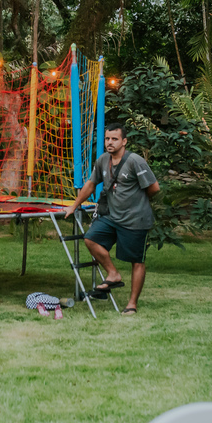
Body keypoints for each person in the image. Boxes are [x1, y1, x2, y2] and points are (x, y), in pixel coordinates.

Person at [63, 123, 159, 315]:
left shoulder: (135, 161)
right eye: (107, 138)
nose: (110, 142)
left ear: (124, 141)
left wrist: (135, 202)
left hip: (135, 221)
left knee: (136, 261)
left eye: (114, 139)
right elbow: (91, 184)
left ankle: (132, 304)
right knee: (90, 238)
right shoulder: (102, 160)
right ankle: (113, 273)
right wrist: (75, 205)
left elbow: (154, 188)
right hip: (112, 217)